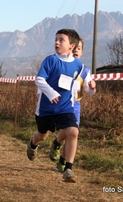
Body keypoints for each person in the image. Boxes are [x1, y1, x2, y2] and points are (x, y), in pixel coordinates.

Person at [26, 28, 83, 183]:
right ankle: (33, 143)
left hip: (65, 108)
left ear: (71, 45)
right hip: (46, 109)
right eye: (56, 39)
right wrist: (51, 94)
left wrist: (90, 87)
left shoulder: (78, 65)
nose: (56, 43)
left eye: (61, 40)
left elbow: (76, 83)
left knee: (73, 132)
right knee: (42, 135)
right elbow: (39, 80)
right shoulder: (51, 60)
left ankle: (68, 169)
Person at [52, 38, 96, 172]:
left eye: (80, 48)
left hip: (76, 105)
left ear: (82, 52)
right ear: (70, 48)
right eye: (75, 47)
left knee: (73, 133)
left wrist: (92, 86)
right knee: (69, 131)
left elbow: (89, 91)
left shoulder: (84, 70)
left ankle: (62, 160)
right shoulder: (63, 65)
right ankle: (57, 143)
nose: (77, 50)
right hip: (63, 103)